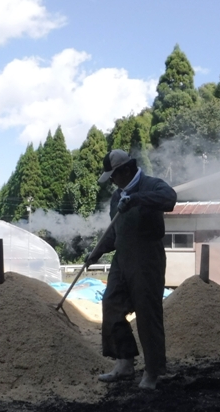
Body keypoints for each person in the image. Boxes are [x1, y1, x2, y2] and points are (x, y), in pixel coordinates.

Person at [86, 149, 177, 389]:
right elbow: (114, 233)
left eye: (113, 176)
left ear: (125, 170)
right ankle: (125, 363)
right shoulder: (117, 197)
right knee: (111, 305)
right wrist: (95, 254)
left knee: (148, 314)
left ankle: (153, 372)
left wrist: (137, 199)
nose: (112, 182)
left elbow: (170, 199)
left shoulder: (151, 185)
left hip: (147, 260)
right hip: (122, 258)